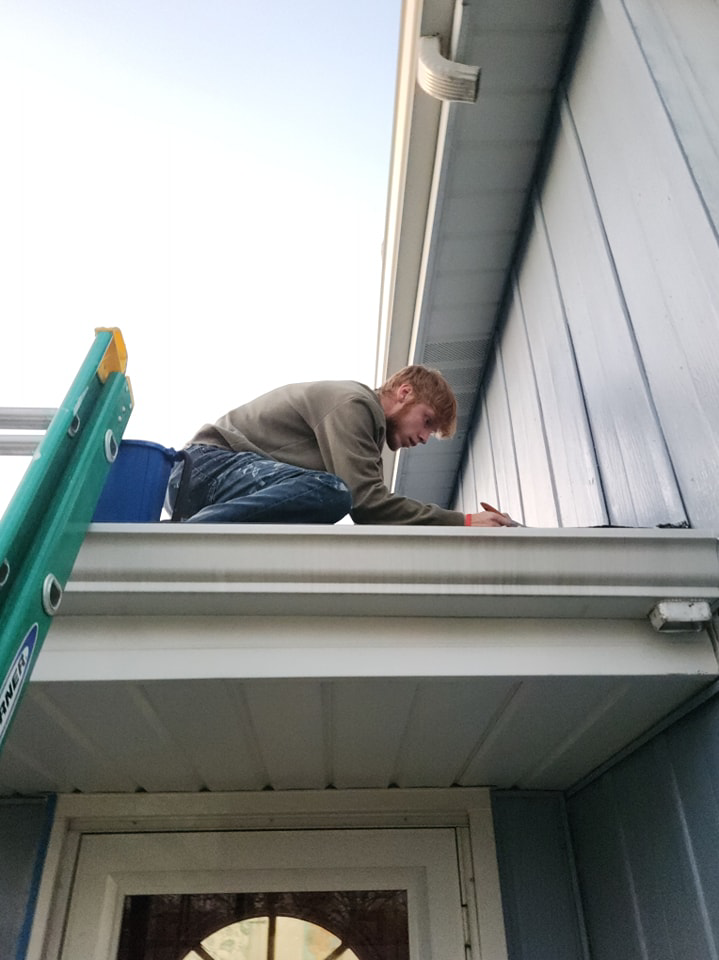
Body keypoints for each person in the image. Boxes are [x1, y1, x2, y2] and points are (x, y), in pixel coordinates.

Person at [166, 365, 516, 527]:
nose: (424, 438)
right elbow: (369, 506)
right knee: (332, 492)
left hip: (217, 482)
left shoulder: (367, 438)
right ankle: (193, 533)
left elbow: (371, 505)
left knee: (324, 502)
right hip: (207, 468)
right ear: (405, 392)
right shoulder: (355, 405)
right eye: (427, 421)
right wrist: (465, 521)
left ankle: (201, 529)